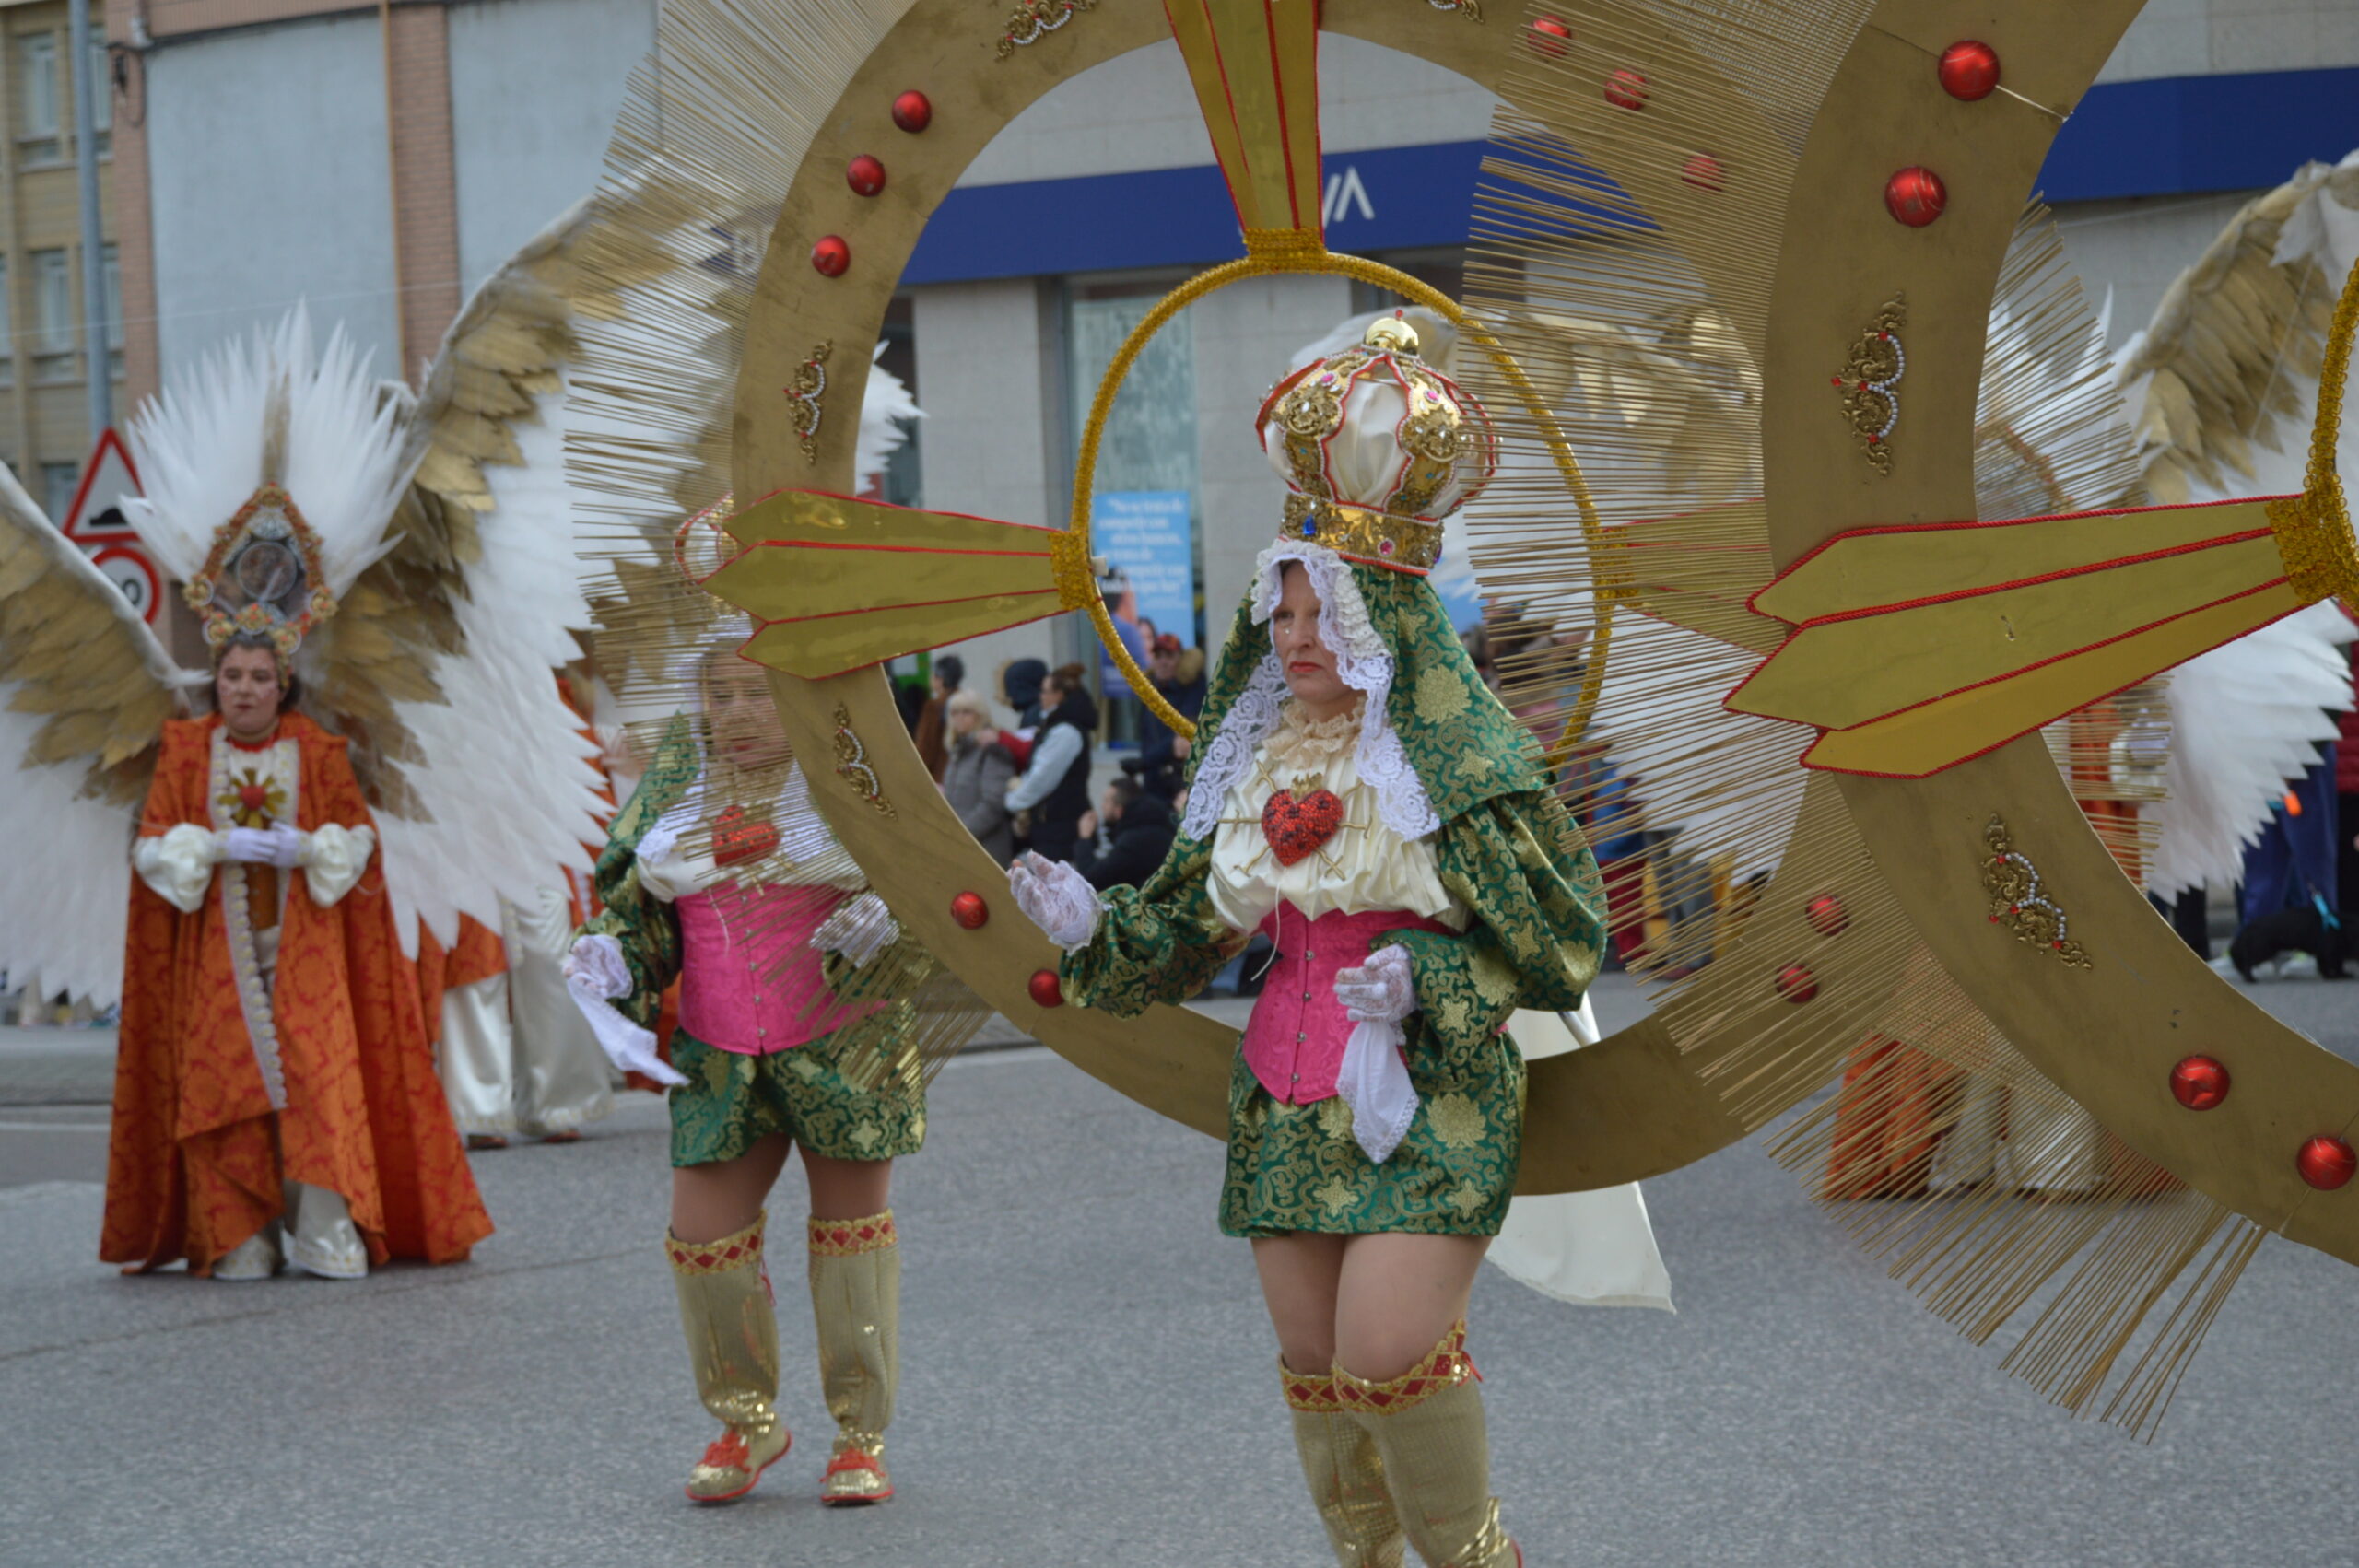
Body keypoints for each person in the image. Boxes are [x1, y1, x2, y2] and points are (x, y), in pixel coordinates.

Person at [1009, 317, 1602, 1568]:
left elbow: (1562, 939)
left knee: (1386, 1351)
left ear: (1385, 611)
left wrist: (1431, 975)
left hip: (1431, 1089)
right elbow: (1184, 928)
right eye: (1280, 613)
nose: (1296, 637)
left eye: (1321, 610)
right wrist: (1091, 926)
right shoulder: (1255, 758)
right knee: (1316, 1363)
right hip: (1284, 1095)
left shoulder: (1460, 759)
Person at [565, 645, 930, 1507]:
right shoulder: (676, 796)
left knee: (850, 1243)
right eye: (718, 692)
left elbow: (933, 907)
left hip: (841, 1048)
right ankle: (747, 1419)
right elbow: (638, 917)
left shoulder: (849, 780)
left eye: (756, 691)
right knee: (703, 1242)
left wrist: (881, 931)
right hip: (718, 1056)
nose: (736, 711)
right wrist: (608, 958)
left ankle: (859, 1432)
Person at [104, 632, 493, 1280]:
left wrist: (309, 851)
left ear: (281, 685)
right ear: (216, 682)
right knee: (227, 1081)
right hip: (217, 957)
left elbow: (362, 838)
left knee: (316, 1079)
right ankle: (241, 1231)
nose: (245, 690)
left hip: (305, 949)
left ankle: (323, 1228)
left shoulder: (316, 750)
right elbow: (149, 844)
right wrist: (209, 847)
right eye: (232, 676)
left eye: (259, 677)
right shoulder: (186, 750)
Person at [1005, 661, 1097, 864]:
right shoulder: (1055, 726)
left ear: (1059, 695)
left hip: (1061, 835)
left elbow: (1041, 779)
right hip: (1052, 832)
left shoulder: (1066, 733)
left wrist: (1011, 803)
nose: (1041, 696)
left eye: (1045, 691)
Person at [941, 687, 1017, 865]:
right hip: (961, 849)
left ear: (980, 715)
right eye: (954, 712)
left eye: (966, 712)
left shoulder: (991, 750)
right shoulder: (957, 752)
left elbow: (993, 803)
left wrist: (961, 834)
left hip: (986, 850)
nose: (959, 717)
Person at [1072, 775, 1177, 890]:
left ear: (1119, 810)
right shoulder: (1151, 822)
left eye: (1107, 801)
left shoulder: (1134, 842)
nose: (1102, 806)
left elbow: (1092, 878)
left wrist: (1084, 837)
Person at [1136, 632, 1206, 800]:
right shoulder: (1148, 691)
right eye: (1158, 656)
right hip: (1152, 781)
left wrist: (1143, 762)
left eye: (1169, 656)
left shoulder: (1194, 688)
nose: (1163, 662)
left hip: (1181, 784)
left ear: (1180, 659)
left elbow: (1182, 738)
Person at [910, 653, 963, 784]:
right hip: (964, 772)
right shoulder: (968, 702)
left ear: (939, 679)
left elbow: (926, 745)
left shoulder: (934, 706)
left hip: (941, 774)